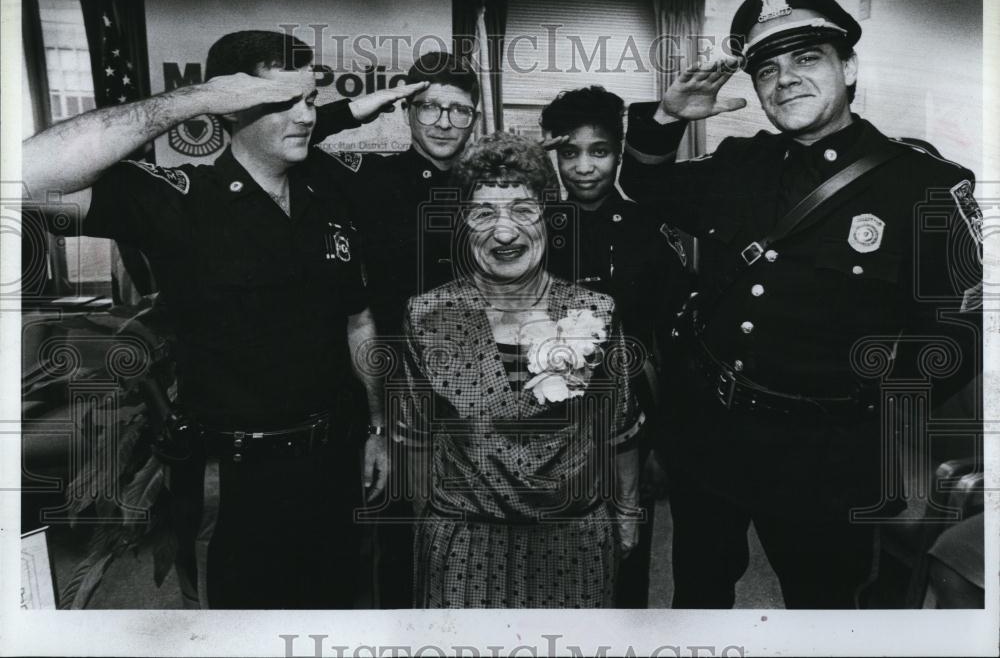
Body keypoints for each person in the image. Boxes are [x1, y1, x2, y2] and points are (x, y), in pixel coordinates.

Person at [618, 0, 983, 608]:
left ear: (849, 66)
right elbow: (640, 188)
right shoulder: (739, 164)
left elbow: (955, 338)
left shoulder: (924, 186)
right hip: (709, 436)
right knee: (698, 595)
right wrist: (668, 117)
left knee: (823, 609)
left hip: (823, 460)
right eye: (766, 70)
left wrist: (866, 419)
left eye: (806, 58)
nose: (783, 79)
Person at [22, 30, 392, 609]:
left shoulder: (327, 193)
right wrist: (190, 100)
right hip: (236, 481)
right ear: (227, 105)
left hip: (335, 459)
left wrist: (376, 429)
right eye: (284, 99)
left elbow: (358, 320)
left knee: (339, 616)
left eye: (310, 99)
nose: (305, 115)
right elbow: (25, 175)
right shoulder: (180, 198)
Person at [397, 134, 643, 608]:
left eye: (523, 210)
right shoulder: (427, 315)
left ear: (549, 217)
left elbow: (620, 429)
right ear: (463, 224)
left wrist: (627, 513)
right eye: (484, 213)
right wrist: (429, 525)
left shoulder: (595, 309)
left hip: (573, 541)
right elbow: (416, 438)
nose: (504, 233)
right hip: (465, 544)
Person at [310, 51, 481, 606]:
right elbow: (294, 149)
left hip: (477, 394)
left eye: (459, 110)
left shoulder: (491, 190)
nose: (443, 121)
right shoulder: (370, 178)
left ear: (475, 117)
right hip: (389, 390)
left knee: (477, 540)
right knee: (396, 546)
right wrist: (357, 109)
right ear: (406, 110)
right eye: (429, 106)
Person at [540, 85, 691, 607]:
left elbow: (675, 343)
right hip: (546, 425)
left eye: (599, 151)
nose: (584, 167)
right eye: (569, 152)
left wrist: (666, 444)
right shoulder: (532, 227)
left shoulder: (650, 228)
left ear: (620, 152)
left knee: (626, 555)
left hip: (633, 425)